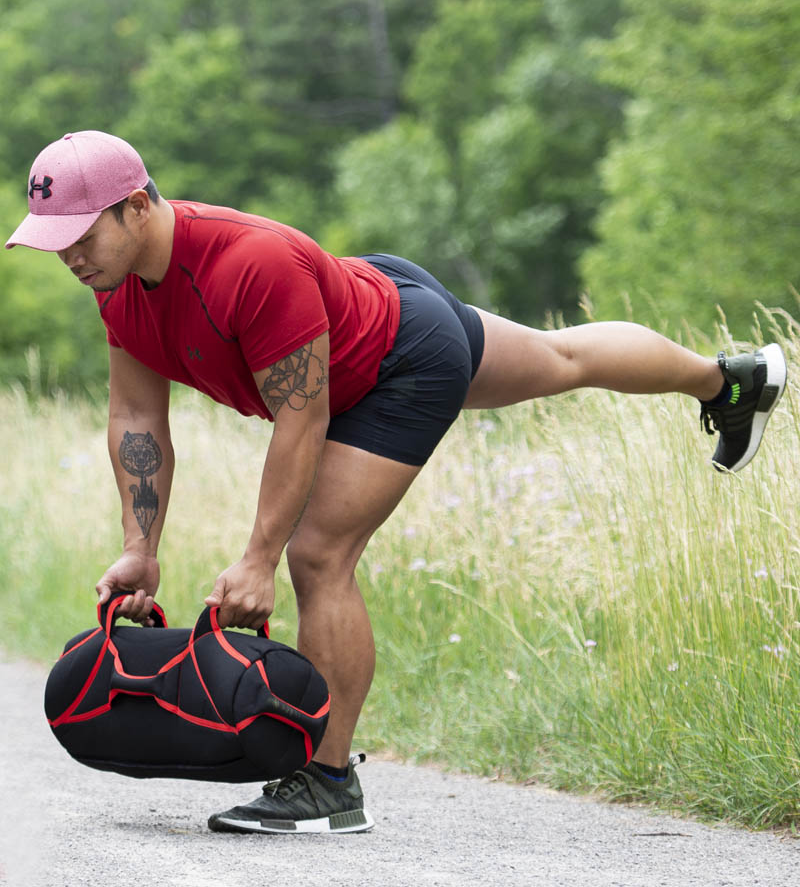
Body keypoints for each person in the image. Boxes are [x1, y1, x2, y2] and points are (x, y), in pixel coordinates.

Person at [7, 130, 787, 835]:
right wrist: (139, 549)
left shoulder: (247, 263)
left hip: (399, 363)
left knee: (317, 557)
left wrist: (257, 558)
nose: (68, 256)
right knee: (561, 360)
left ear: (137, 206)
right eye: (52, 241)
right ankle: (728, 382)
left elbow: (302, 421)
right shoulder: (119, 294)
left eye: (79, 234)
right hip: (374, 297)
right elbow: (138, 422)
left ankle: (327, 781)